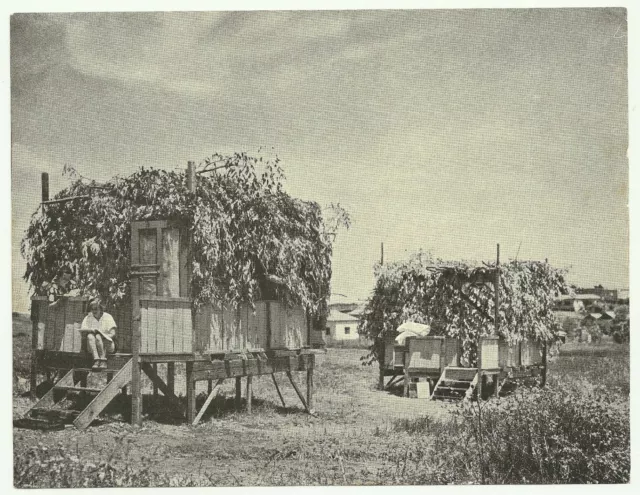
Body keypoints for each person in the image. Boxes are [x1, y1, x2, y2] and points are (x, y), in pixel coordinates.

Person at [81, 299, 118, 370]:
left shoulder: (108, 317)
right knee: (90, 336)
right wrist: (89, 330)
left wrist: (103, 336)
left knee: (98, 336)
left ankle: (103, 360)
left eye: (95, 309)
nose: (93, 311)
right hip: (93, 347)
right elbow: (83, 330)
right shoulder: (88, 317)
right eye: (92, 309)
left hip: (107, 345)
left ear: (101, 309)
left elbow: (113, 333)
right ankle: (96, 360)